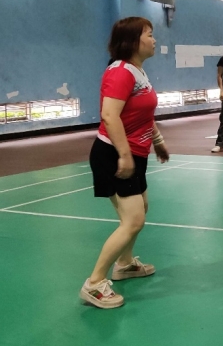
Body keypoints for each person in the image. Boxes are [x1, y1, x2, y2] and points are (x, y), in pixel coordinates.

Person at [81, 17, 169, 309]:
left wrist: (157, 141)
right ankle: (94, 283)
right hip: (113, 154)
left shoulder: (138, 71)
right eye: (149, 34)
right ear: (132, 41)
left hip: (134, 152)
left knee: (142, 208)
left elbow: (143, 114)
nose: (154, 40)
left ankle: (125, 263)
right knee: (133, 220)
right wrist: (125, 154)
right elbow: (109, 115)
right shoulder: (120, 72)